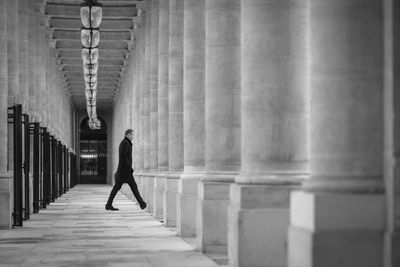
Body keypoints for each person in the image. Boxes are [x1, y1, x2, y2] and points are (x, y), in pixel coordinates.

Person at [105, 129, 146, 211]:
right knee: (131, 186)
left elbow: (124, 156)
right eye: (132, 135)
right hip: (125, 171)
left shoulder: (126, 143)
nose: (133, 137)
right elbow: (123, 156)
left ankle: (109, 204)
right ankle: (142, 203)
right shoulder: (125, 143)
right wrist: (129, 167)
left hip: (124, 170)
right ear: (128, 134)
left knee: (124, 187)